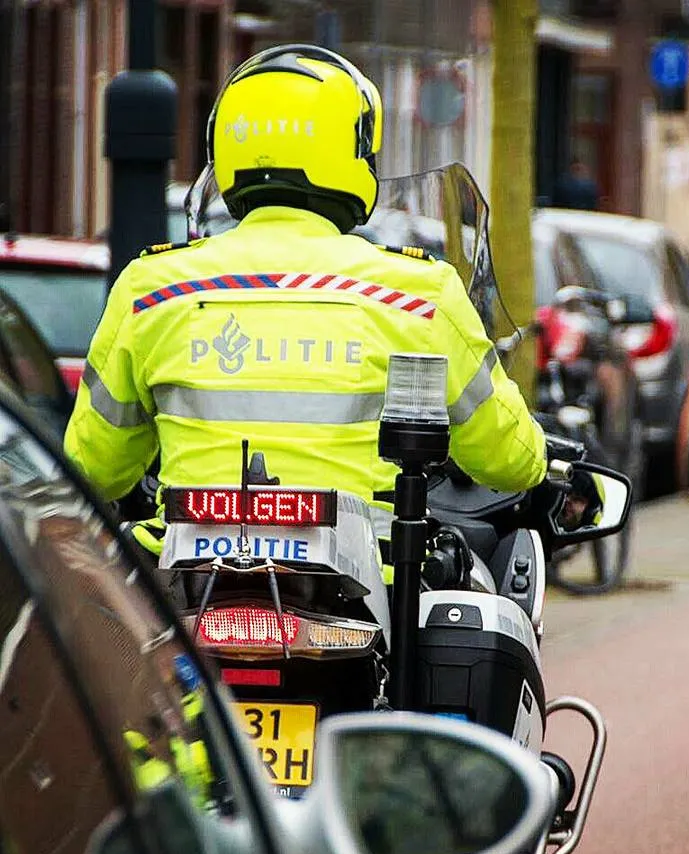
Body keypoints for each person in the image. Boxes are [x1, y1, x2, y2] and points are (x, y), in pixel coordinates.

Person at [63, 44, 547, 555]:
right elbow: (505, 460)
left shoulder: (152, 289)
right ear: (352, 149)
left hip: (187, 592)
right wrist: (541, 458)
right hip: (365, 597)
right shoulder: (418, 296)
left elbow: (93, 467)